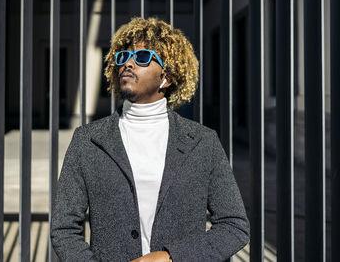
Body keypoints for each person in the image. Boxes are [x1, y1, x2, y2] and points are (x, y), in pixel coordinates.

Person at [51, 17, 249, 262]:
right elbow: (63, 229)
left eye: (143, 57)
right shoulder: (87, 140)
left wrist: (169, 257)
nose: (128, 64)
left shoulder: (203, 142)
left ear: (167, 77)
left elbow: (234, 225)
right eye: (123, 57)